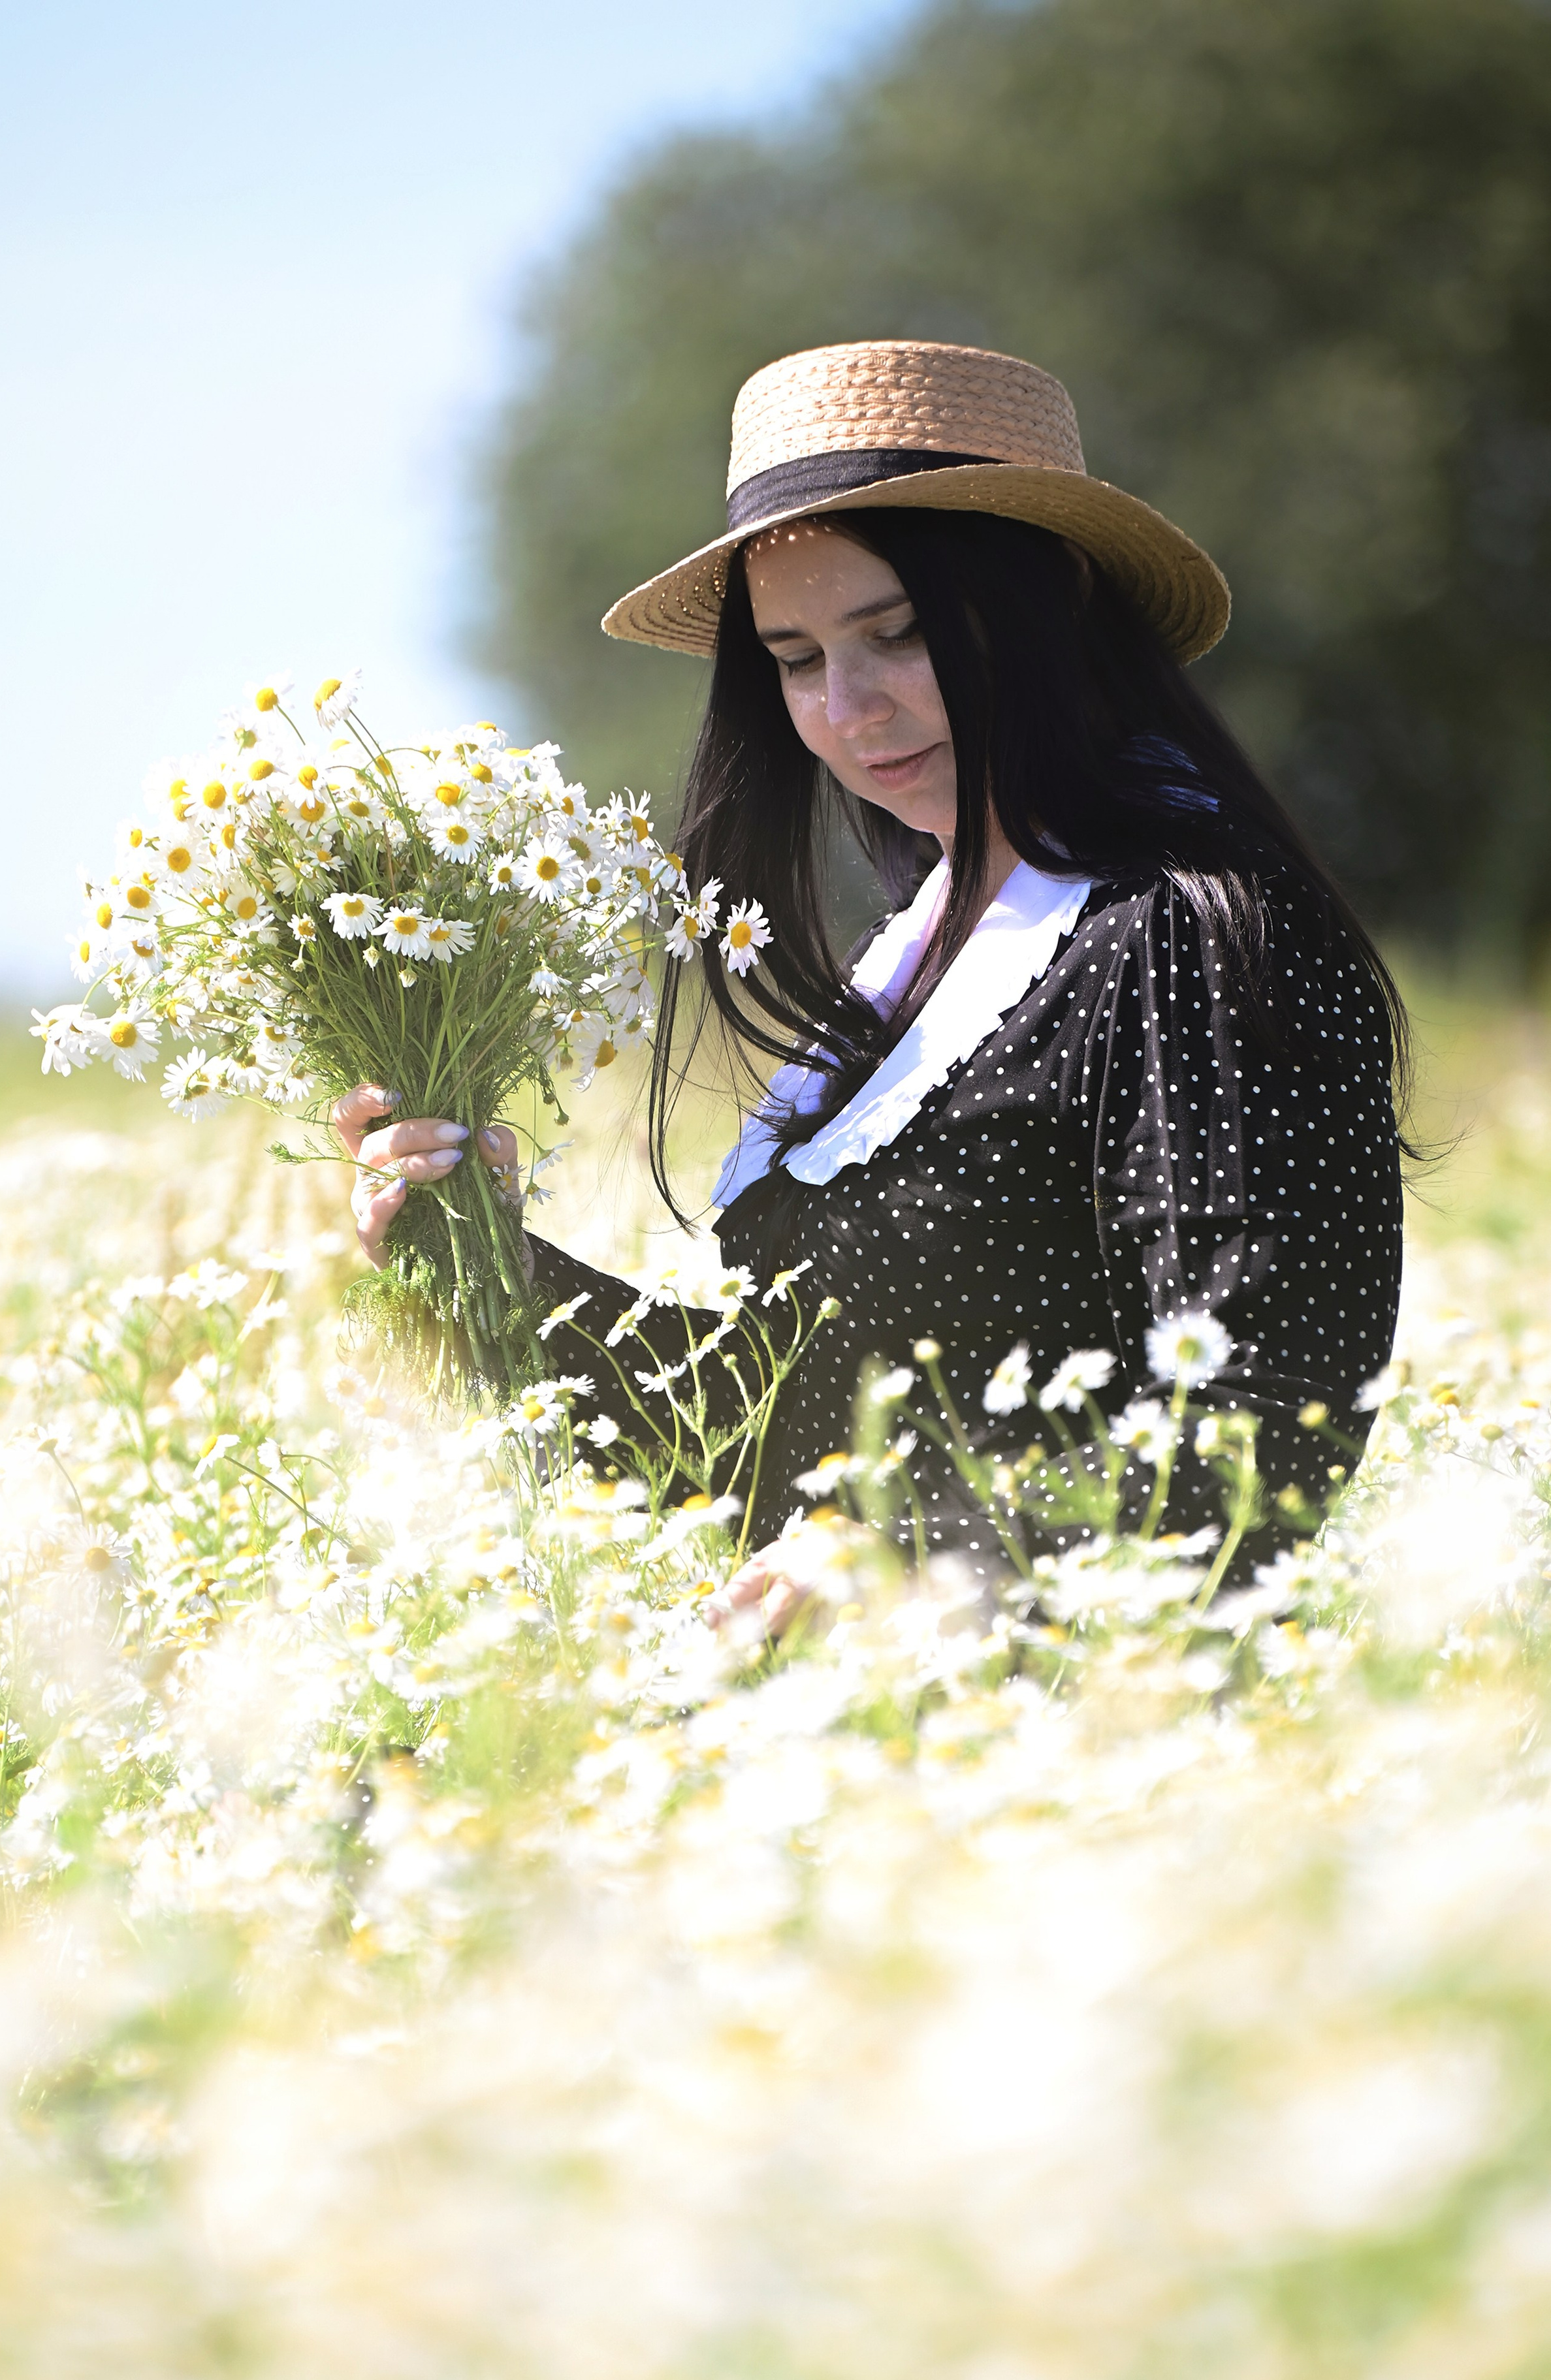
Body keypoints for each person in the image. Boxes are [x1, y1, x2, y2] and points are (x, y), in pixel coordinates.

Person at [336, 341, 1406, 1624]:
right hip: (849, 1739)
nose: (849, 710)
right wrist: (483, 1261)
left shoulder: (1189, 933)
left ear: (1048, 607)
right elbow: (762, 1451)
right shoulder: (914, 956)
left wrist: (901, 1564)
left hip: (1087, 1751)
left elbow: (1266, 1427)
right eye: (795, 660)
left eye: (894, 636)